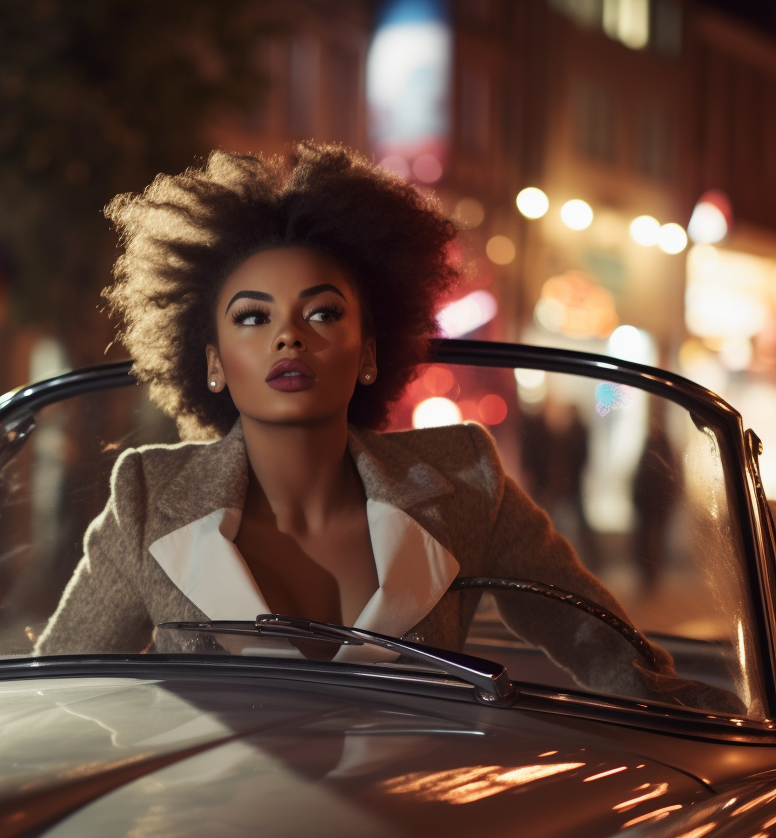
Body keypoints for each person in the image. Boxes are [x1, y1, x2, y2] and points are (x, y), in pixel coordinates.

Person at [37, 142, 732, 712]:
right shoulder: (148, 495)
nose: (288, 337)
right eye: (253, 316)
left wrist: (733, 733)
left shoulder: (466, 480)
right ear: (212, 361)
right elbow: (50, 700)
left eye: (323, 313)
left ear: (370, 351)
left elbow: (614, 660)